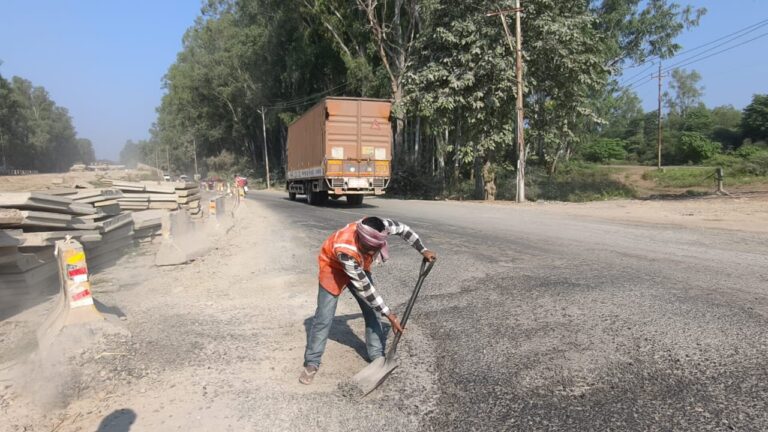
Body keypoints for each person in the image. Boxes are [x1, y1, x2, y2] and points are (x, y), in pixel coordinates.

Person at [299, 216, 437, 385]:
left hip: (358, 264)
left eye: (374, 249)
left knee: (372, 312)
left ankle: (377, 357)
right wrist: (389, 315)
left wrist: (422, 249)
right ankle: (312, 362)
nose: (372, 253)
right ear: (360, 239)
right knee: (323, 318)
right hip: (333, 266)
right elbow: (366, 289)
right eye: (368, 248)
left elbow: (404, 230)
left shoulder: (380, 226)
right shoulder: (345, 249)